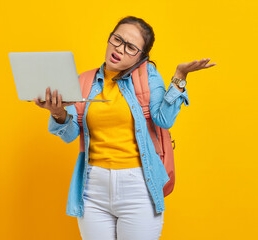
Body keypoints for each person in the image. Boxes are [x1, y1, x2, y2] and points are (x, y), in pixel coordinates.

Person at [34, 16, 216, 240]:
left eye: (131, 47)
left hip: (138, 187)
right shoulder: (84, 81)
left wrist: (179, 78)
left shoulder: (147, 76)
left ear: (141, 57)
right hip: (93, 189)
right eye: (117, 39)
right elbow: (70, 134)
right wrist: (57, 112)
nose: (120, 48)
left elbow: (163, 120)